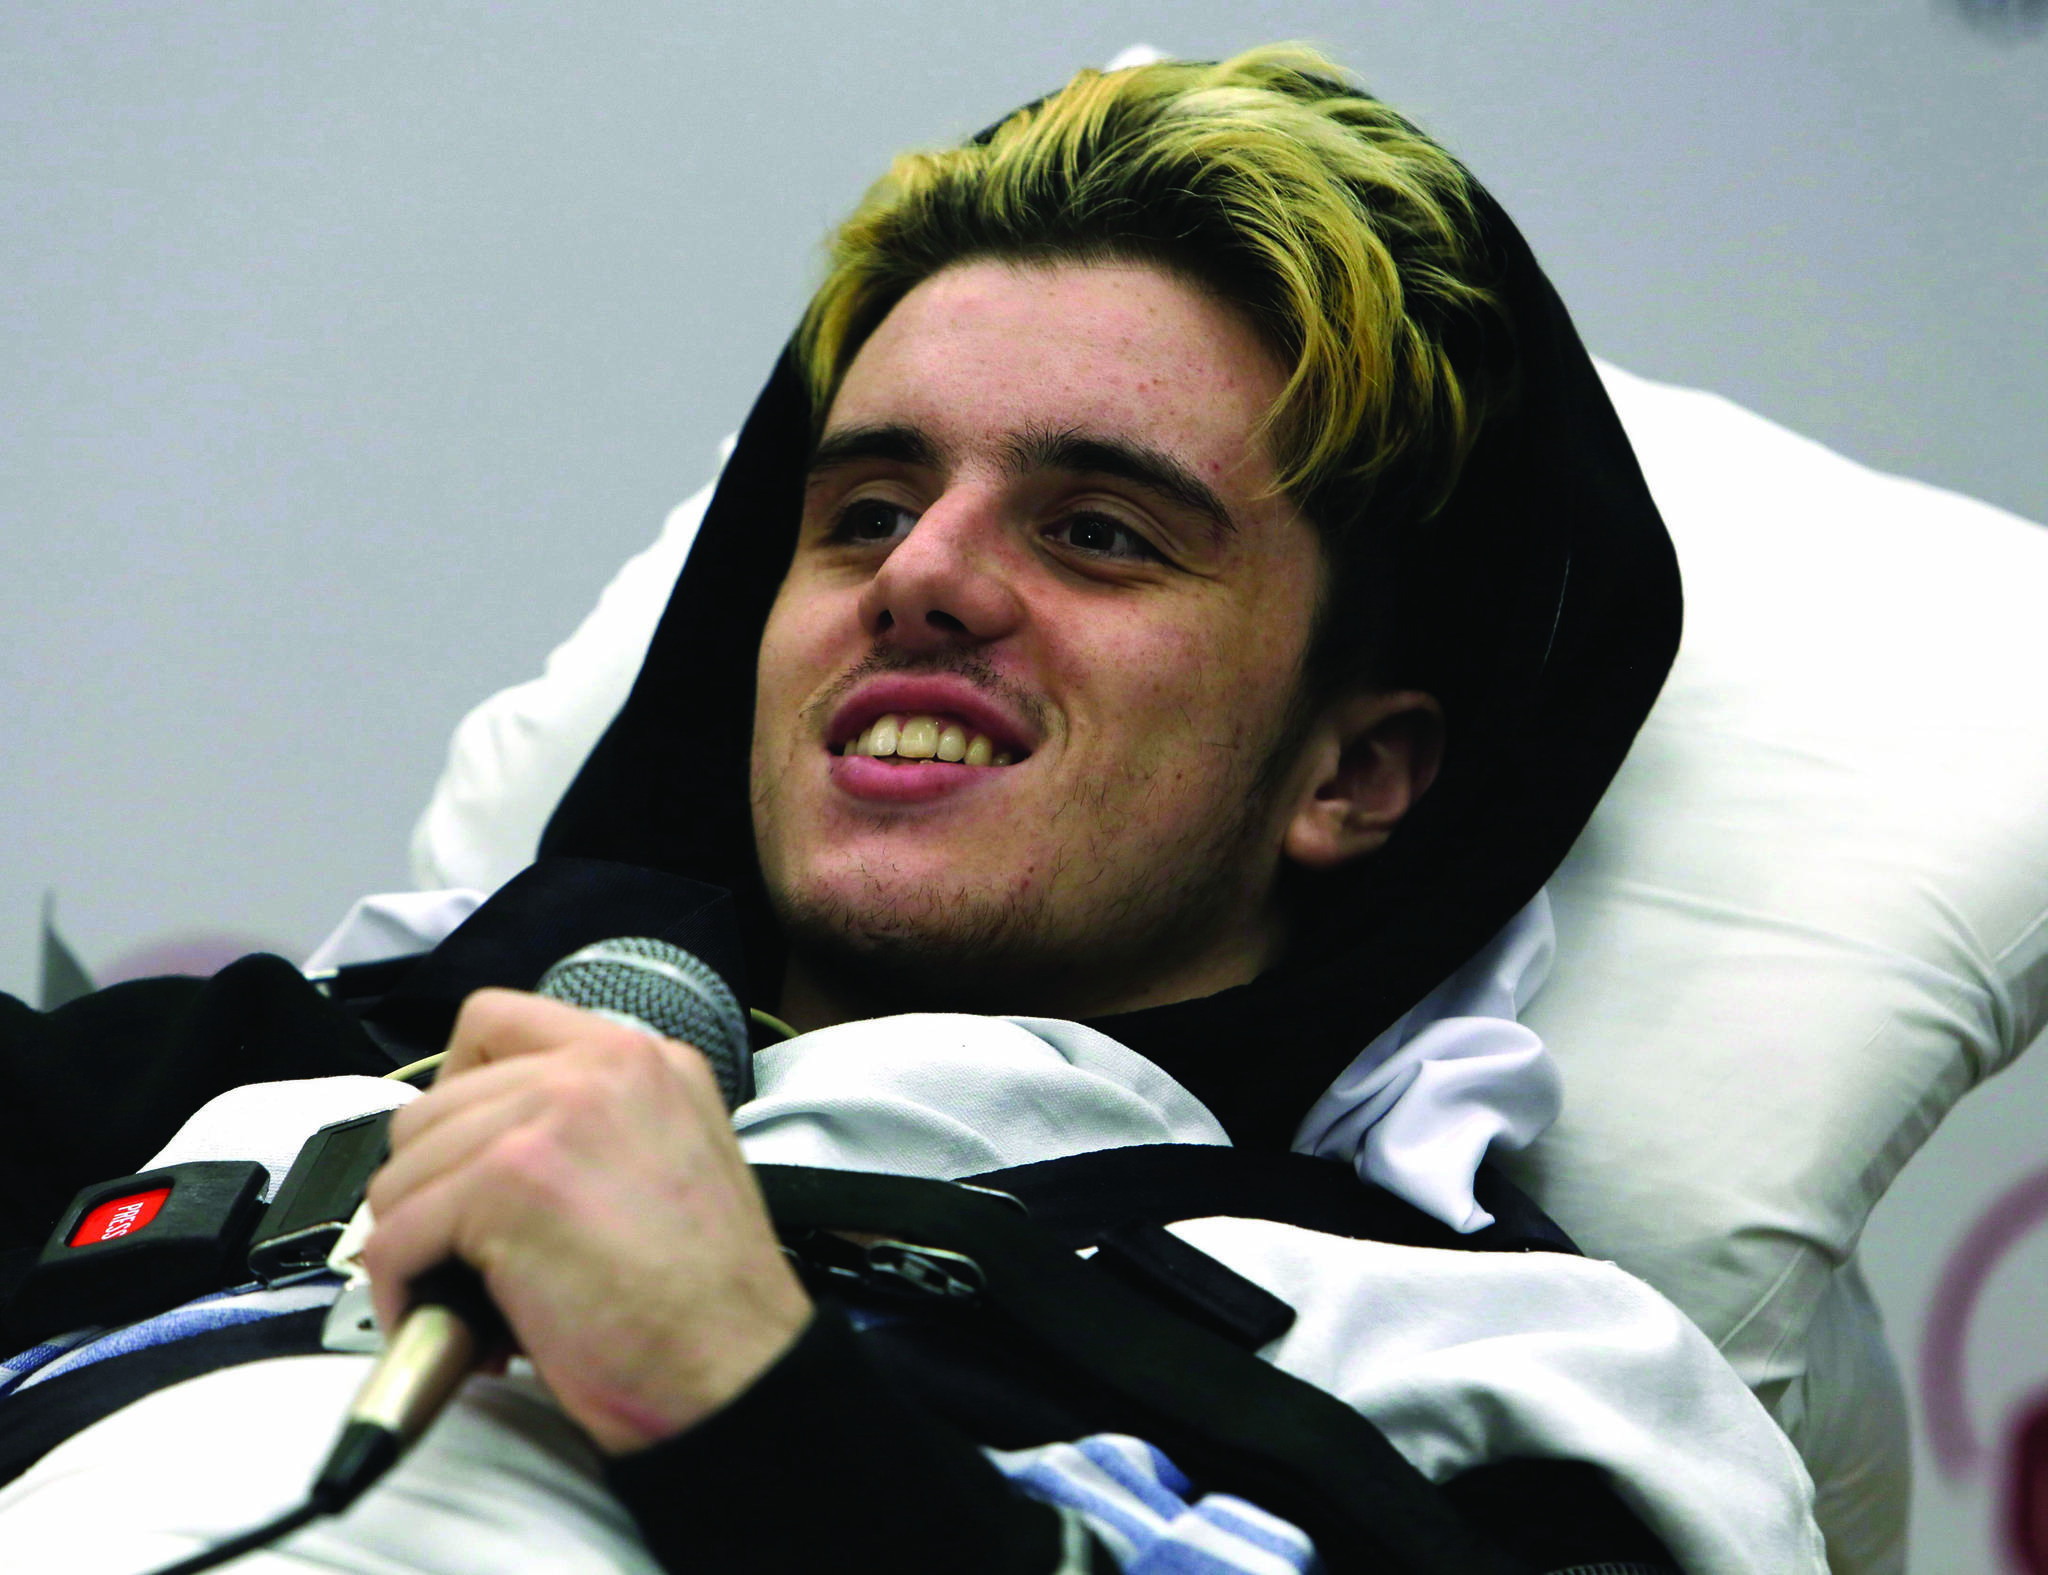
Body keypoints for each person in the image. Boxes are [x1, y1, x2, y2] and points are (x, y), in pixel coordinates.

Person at [0, 45, 1826, 1573]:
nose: (924, 575)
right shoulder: (253, 1075)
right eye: (864, 506)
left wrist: (742, 1392)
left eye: (1100, 530)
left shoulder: (1507, 1367)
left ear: (1352, 774)